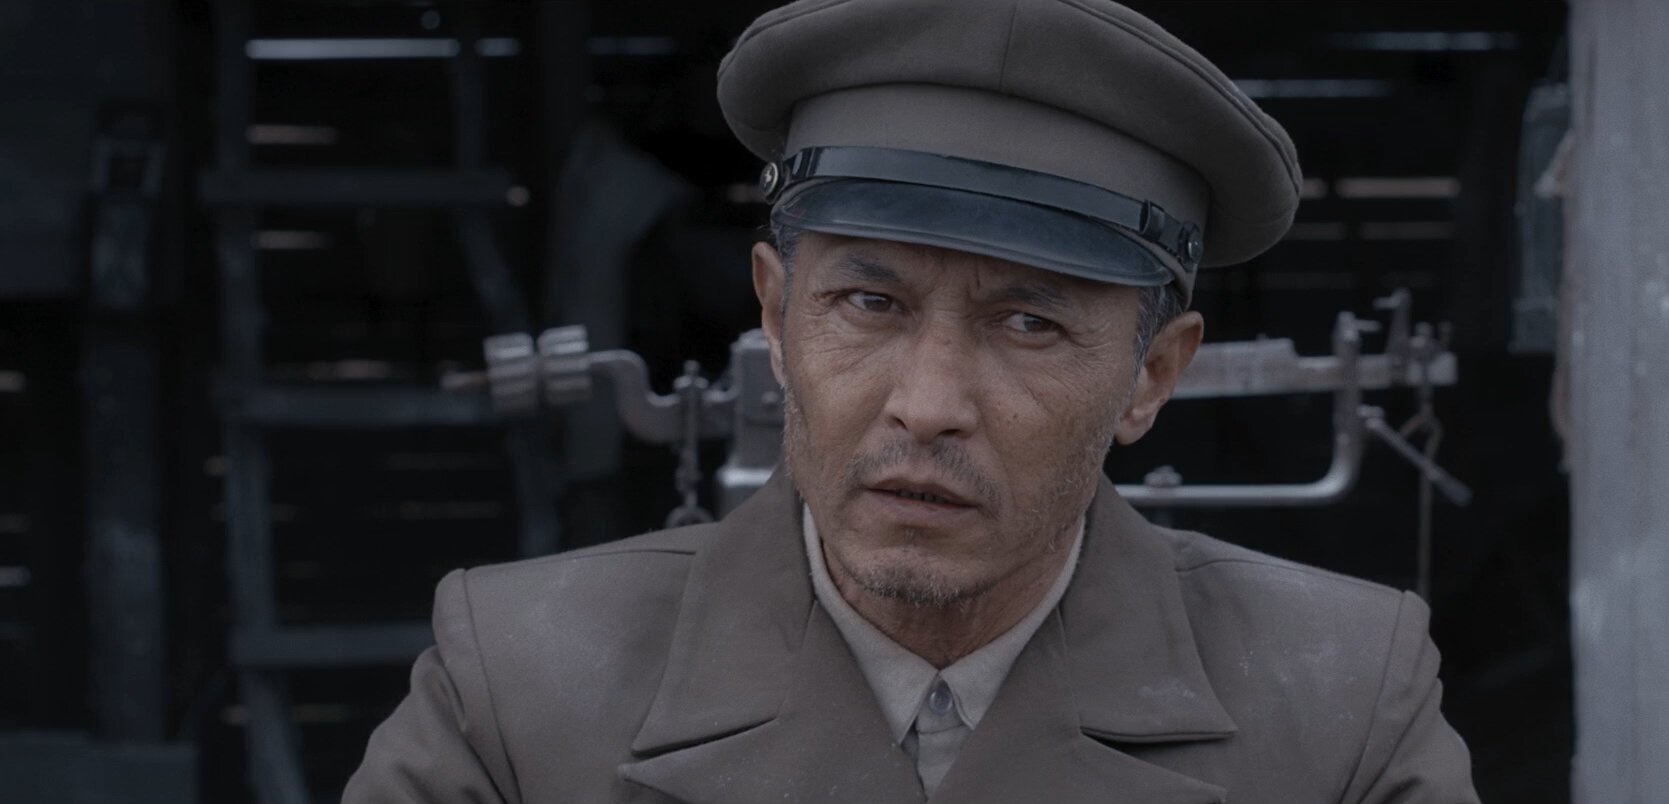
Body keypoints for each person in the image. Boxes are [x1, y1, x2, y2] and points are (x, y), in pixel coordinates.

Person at [345, 0, 1479, 801]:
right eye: (870, 303)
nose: (928, 405)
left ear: (1152, 376)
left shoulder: (1339, 709)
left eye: (1028, 324)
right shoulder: (521, 691)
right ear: (775, 314)